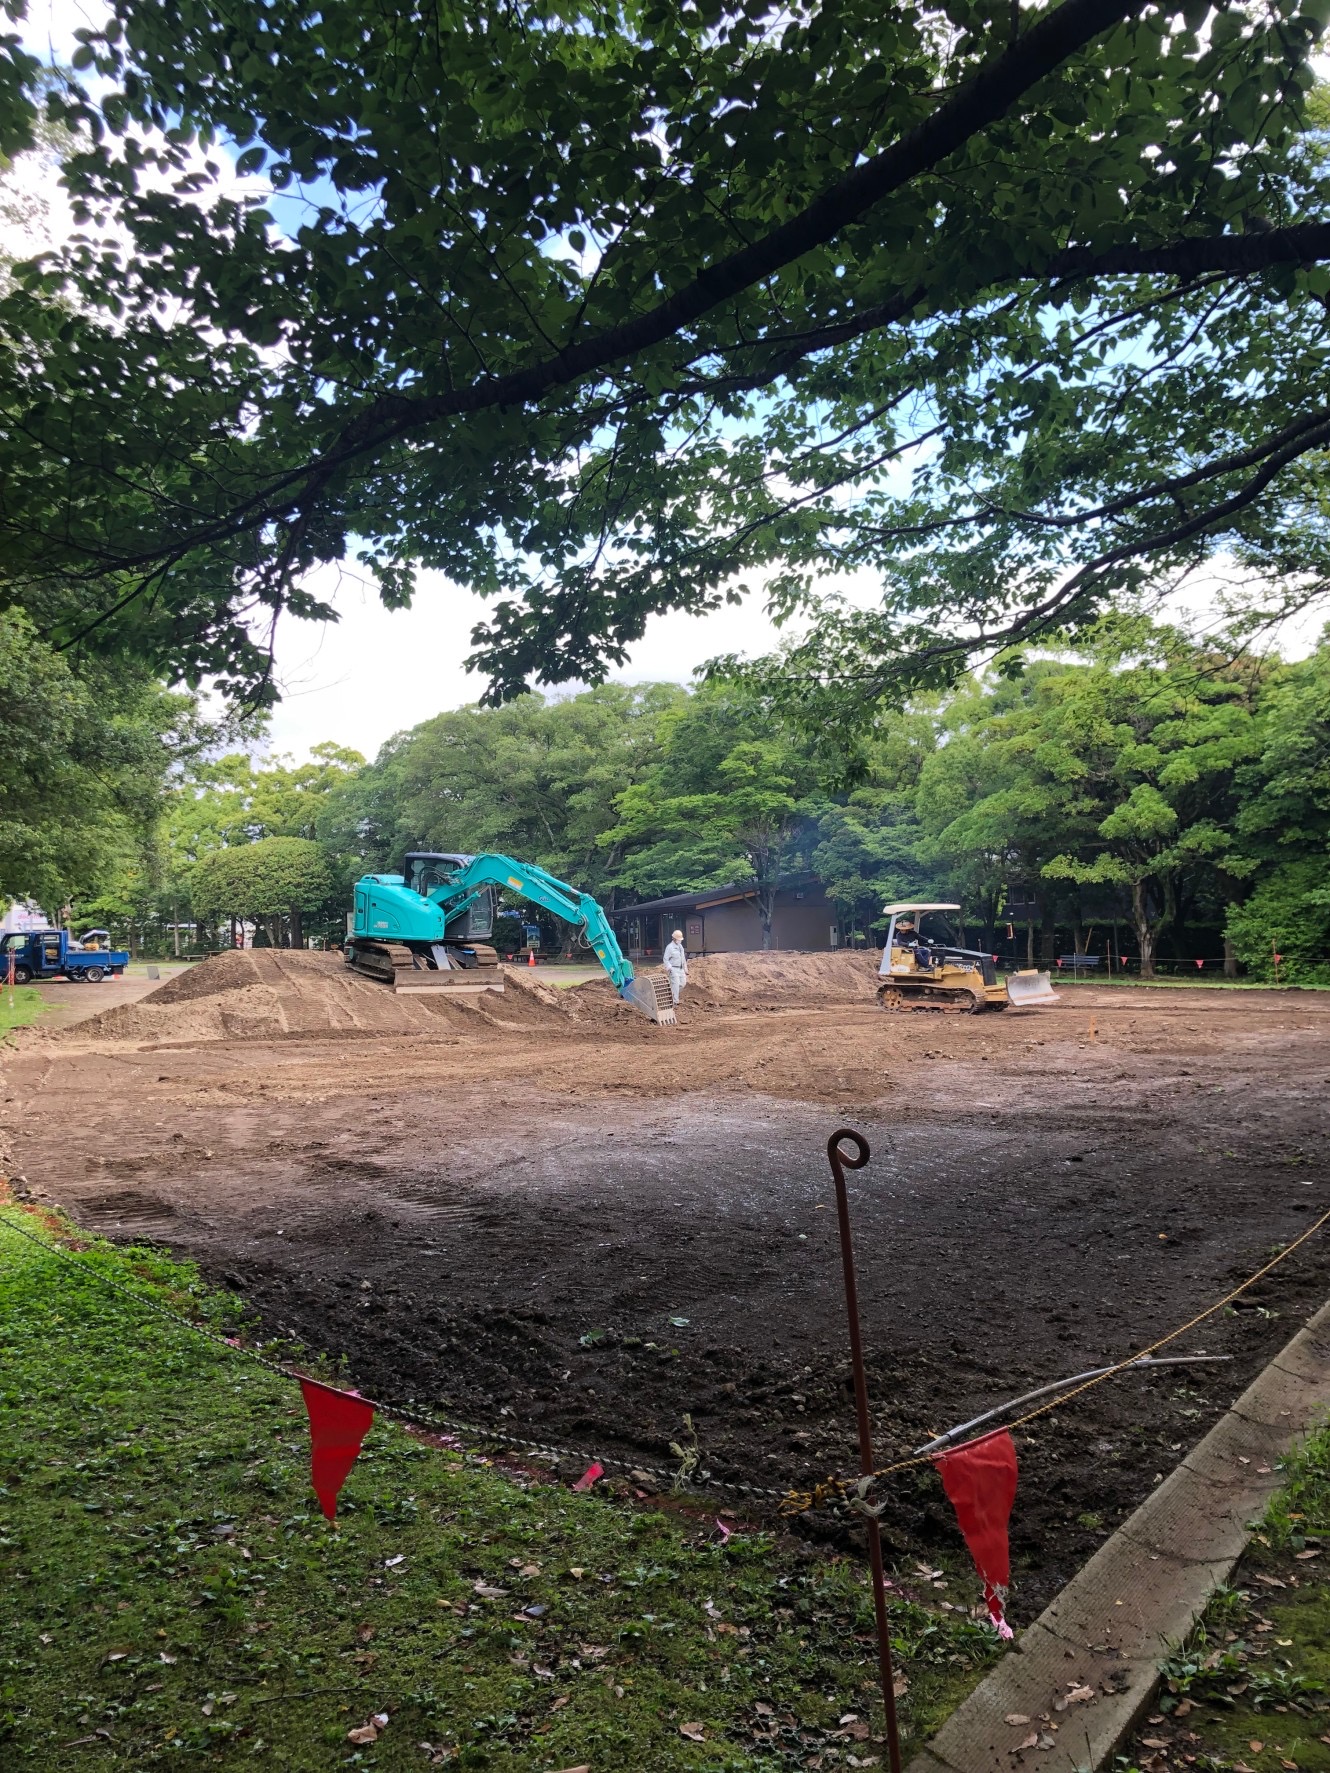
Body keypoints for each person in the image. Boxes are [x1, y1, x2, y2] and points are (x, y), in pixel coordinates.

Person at [662, 928, 688, 1005]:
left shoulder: (680, 947)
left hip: (681, 969)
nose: (679, 940)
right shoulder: (669, 947)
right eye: (678, 939)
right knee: (675, 985)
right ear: (674, 938)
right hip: (673, 968)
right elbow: (665, 959)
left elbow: (683, 958)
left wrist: (685, 968)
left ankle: (670, 995)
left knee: (683, 984)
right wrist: (669, 967)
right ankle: (674, 1002)